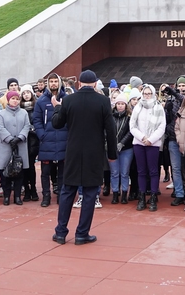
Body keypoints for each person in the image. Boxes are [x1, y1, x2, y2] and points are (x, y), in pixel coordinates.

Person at [51, 70, 117, 245]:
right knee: (89, 194)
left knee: (67, 191)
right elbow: (111, 131)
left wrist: (57, 107)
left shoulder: (69, 100)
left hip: (73, 152)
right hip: (94, 153)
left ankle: (60, 232)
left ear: (79, 83)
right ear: (95, 83)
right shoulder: (103, 101)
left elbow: (57, 124)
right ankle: (82, 233)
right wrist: (112, 155)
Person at [130, 84, 166, 211]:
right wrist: (142, 137)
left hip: (153, 144)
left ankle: (153, 197)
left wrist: (150, 139)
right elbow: (132, 125)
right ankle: (141, 198)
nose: (147, 95)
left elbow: (162, 126)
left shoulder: (158, 107)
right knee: (141, 171)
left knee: (153, 171)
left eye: (149, 93)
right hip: (139, 143)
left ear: (153, 94)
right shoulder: (138, 107)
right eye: (145, 93)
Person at [34, 72, 68, 207]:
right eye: (51, 81)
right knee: (45, 172)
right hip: (46, 141)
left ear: (59, 83)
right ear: (48, 84)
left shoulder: (67, 99)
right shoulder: (41, 101)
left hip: (63, 140)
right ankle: (46, 196)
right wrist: (42, 135)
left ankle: (61, 195)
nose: (53, 84)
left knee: (62, 171)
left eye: (55, 81)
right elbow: (36, 120)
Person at [0, 89, 31, 205]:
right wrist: (10, 138)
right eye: (13, 99)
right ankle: (6, 196)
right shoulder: (2, 113)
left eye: (17, 99)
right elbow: (0, 128)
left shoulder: (24, 113)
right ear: (8, 100)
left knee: (19, 172)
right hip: (6, 146)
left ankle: (17, 196)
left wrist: (20, 137)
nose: (15, 101)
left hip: (20, 144)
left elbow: (27, 126)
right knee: (5, 172)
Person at [160, 76, 185, 206]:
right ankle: (179, 194)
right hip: (172, 138)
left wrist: (173, 92)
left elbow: (184, 101)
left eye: (184, 86)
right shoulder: (170, 100)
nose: (181, 88)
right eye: (180, 86)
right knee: (176, 168)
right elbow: (166, 120)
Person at [109, 95, 134, 204]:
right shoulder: (110, 117)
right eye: (118, 104)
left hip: (126, 148)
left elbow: (130, 132)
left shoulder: (129, 117)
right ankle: (115, 193)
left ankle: (124, 193)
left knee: (124, 172)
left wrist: (122, 143)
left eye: (122, 104)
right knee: (114, 172)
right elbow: (107, 131)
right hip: (112, 148)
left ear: (125, 105)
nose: (120, 106)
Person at [19, 85, 41, 202]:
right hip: (22, 141)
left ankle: (33, 189)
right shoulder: (19, 109)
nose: (26, 95)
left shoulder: (36, 107)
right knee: (23, 167)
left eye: (28, 92)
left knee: (31, 166)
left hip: (32, 141)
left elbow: (38, 122)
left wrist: (31, 129)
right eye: (24, 93)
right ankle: (26, 190)